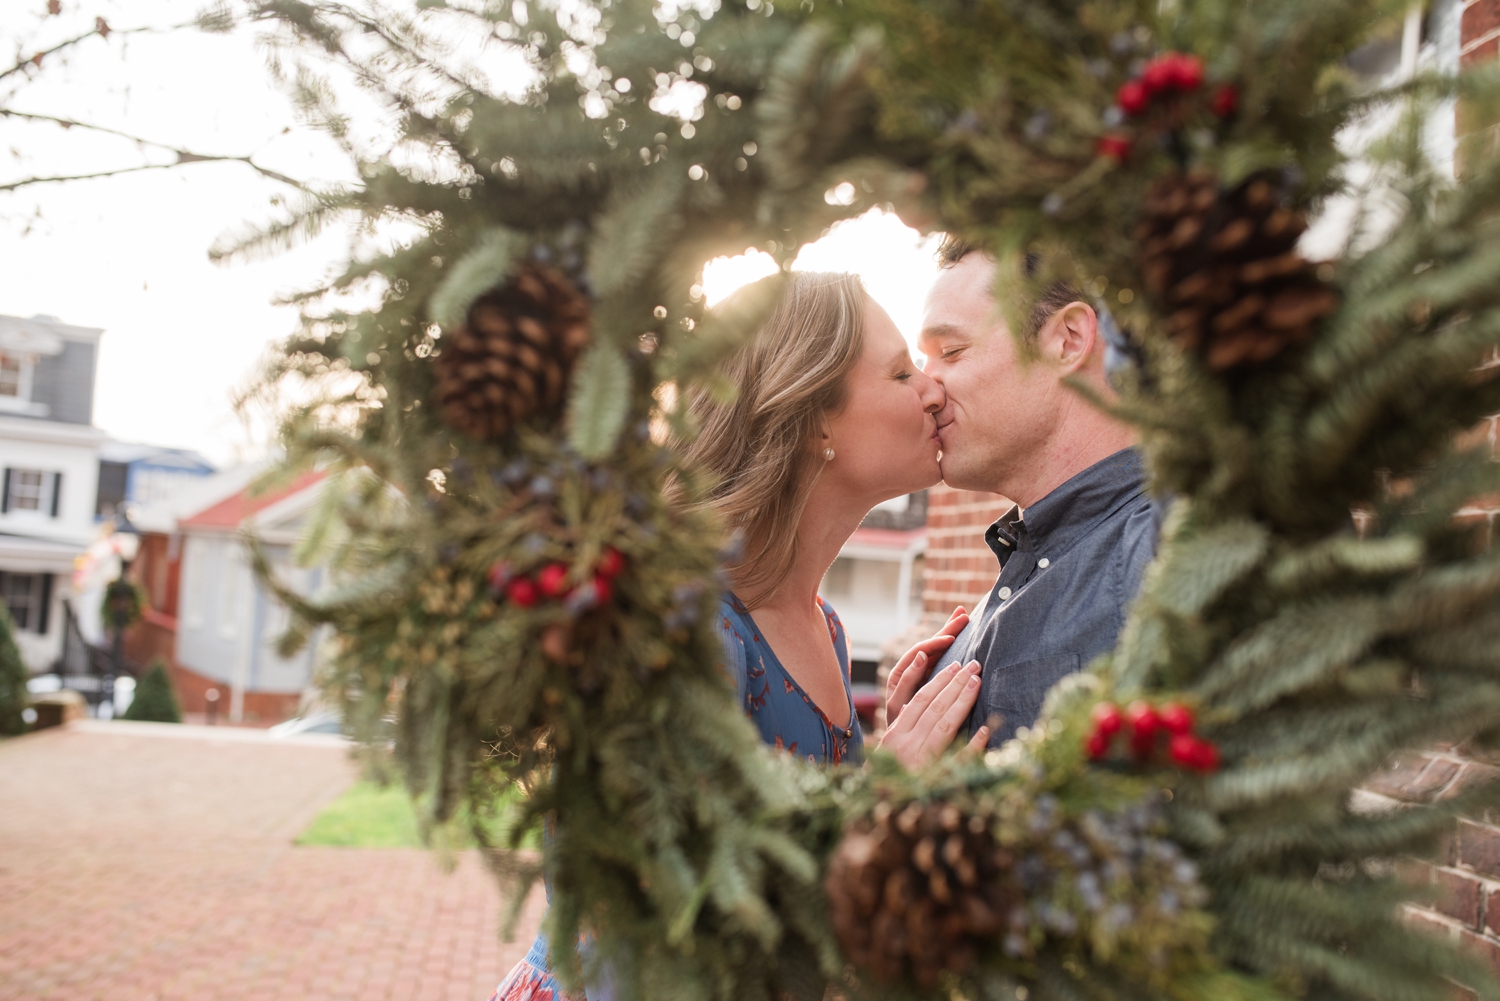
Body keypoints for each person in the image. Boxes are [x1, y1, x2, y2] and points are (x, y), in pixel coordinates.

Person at [488, 271, 987, 1001]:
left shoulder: (826, 627)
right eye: (901, 371)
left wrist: (887, 748)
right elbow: (677, 911)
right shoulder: (683, 622)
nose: (932, 389)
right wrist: (881, 796)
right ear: (815, 414)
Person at [889, 239, 1161, 747]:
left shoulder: (1164, 557)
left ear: (1067, 340)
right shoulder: (1027, 567)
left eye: (951, 351)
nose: (929, 390)